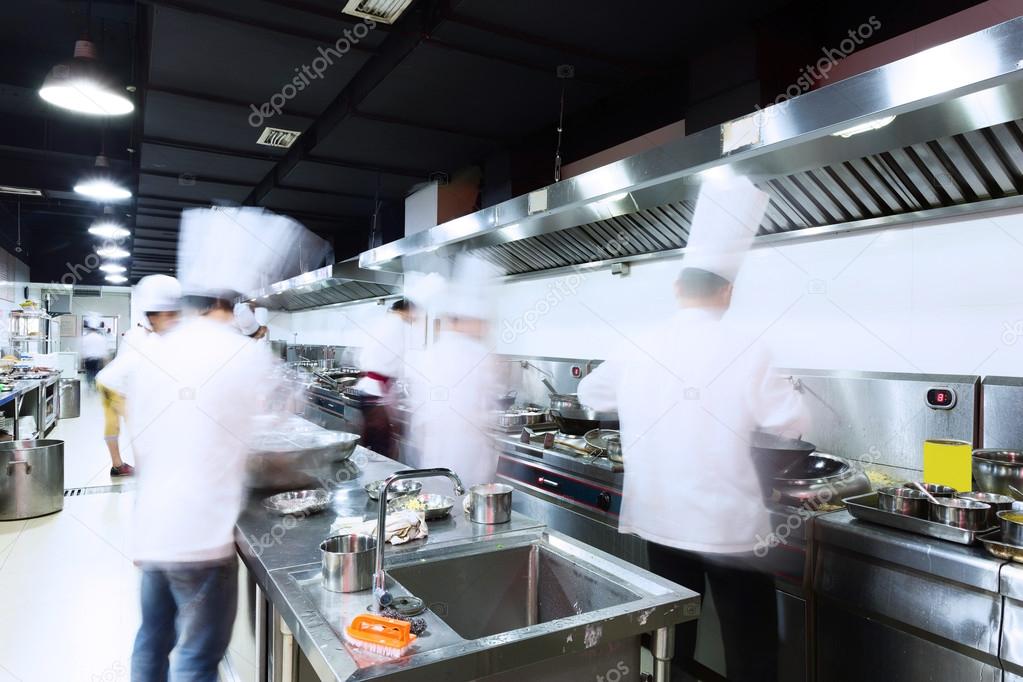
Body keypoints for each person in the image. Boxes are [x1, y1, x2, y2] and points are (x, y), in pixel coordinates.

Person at [577, 176, 807, 682]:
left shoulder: (640, 344)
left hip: (661, 517)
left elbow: (589, 395)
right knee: (751, 645)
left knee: (669, 638)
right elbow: (789, 423)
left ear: (678, 288)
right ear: (728, 291)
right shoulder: (748, 348)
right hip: (728, 529)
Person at [125, 207, 307, 682]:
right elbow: (281, 422)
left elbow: (142, 441)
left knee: (152, 639)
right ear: (233, 301)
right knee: (198, 657)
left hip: (154, 525)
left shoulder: (158, 351)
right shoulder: (242, 353)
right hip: (203, 537)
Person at [408, 256, 501, 490]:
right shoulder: (478, 354)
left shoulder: (432, 351)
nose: (486, 328)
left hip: (433, 459)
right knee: (466, 515)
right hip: (468, 462)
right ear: (471, 320)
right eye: (484, 322)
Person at [95, 275, 182, 477]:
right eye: (170, 315)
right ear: (153, 317)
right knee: (139, 426)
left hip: (106, 380)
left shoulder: (139, 334)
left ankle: (118, 466)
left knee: (114, 424)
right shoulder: (151, 340)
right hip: (118, 386)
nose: (174, 320)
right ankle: (143, 469)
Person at [352, 298, 419, 459]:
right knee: (381, 447)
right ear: (405, 311)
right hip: (376, 394)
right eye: (414, 314)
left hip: (368, 391)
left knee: (372, 442)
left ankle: (369, 476)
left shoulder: (385, 324)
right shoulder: (396, 326)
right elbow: (395, 364)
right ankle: (379, 480)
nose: (415, 318)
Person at [80, 315, 109, 389]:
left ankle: (89, 386)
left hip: (88, 359)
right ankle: (96, 387)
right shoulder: (101, 338)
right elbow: (104, 352)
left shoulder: (86, 338)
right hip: (98, 359)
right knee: (97, 374)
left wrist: (82, 361)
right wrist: (105, 362)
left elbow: (83, 350)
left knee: (89, 374)